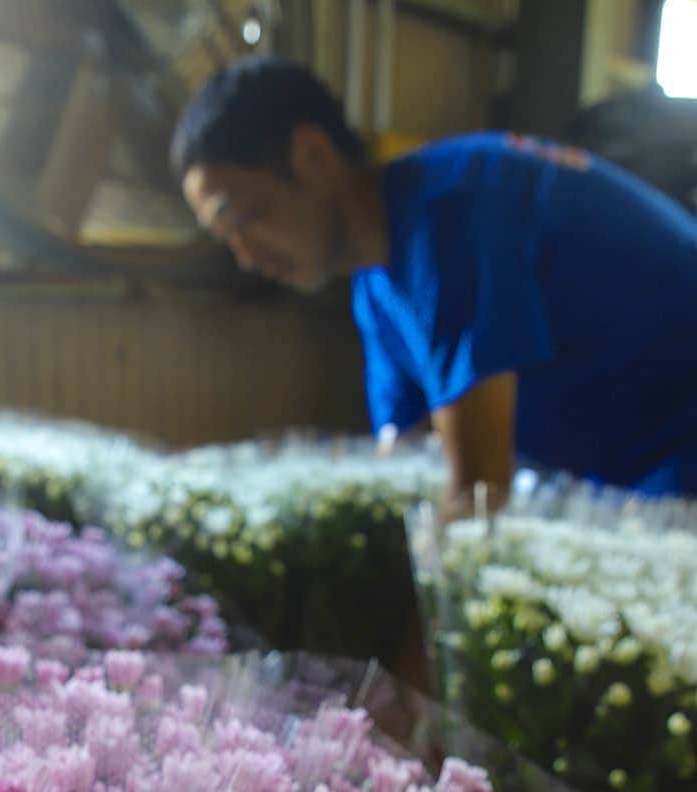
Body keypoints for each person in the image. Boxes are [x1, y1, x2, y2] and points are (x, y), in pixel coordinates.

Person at [172, 57, 697, 501]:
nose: (245, 255)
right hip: (639, 476)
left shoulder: (456, 209)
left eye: (245, 217)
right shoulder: (377, 291)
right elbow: (401, 472)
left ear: (312, 155)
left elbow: (477, 494)